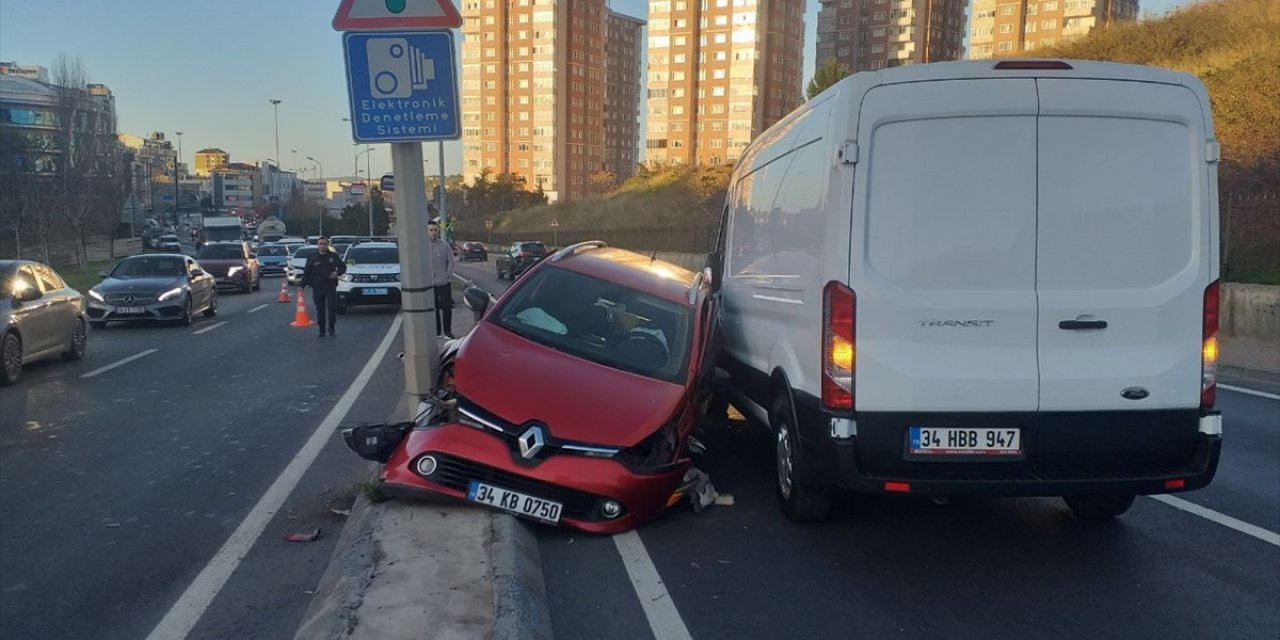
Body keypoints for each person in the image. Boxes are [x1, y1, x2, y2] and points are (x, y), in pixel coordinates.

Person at [300, 236, 347, 337]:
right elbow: (307, 272)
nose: (322, 246)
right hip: (317, 286)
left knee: (331, 308)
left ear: (327, 245)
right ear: (317, 245)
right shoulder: (312, 257)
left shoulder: (333, 256)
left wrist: (337, 273)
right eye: (320, 244)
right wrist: (302, 285)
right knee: (320, 309)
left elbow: (343, 267)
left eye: (324, 244)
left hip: (330, 286)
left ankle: (331, 328)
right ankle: (322, 330)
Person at [428, 219, 455, 338]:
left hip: (443, 283)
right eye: (431, 230)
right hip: (429, 284)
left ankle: (447, 331)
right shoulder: (422, 246)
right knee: (433, 309)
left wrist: (447, 275)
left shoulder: (444, 246)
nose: (433, 232)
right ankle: (437, 331)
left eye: (435, 230)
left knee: (447, 307)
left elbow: (451, 261)